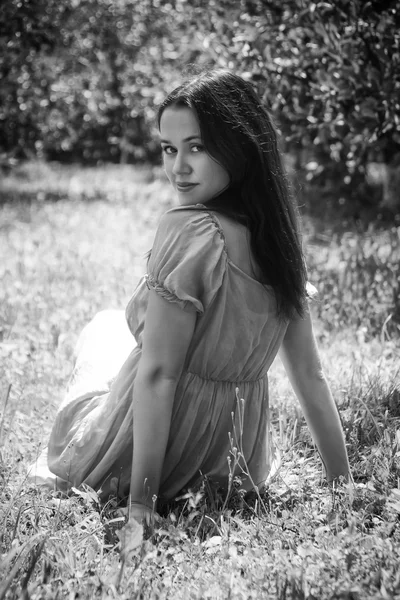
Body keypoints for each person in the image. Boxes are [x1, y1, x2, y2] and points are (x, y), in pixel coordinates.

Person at [28, 69, 351, 524]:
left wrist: (140, 508)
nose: (177, 167)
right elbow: (310, 374)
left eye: (196, 147)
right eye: (168, 148)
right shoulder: (279, 240)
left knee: (102, 327)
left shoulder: (190, 229)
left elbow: (160, 373)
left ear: (239, 145)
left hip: (144, 451)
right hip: (232, 463)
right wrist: (344, 486)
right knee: (110, 333)